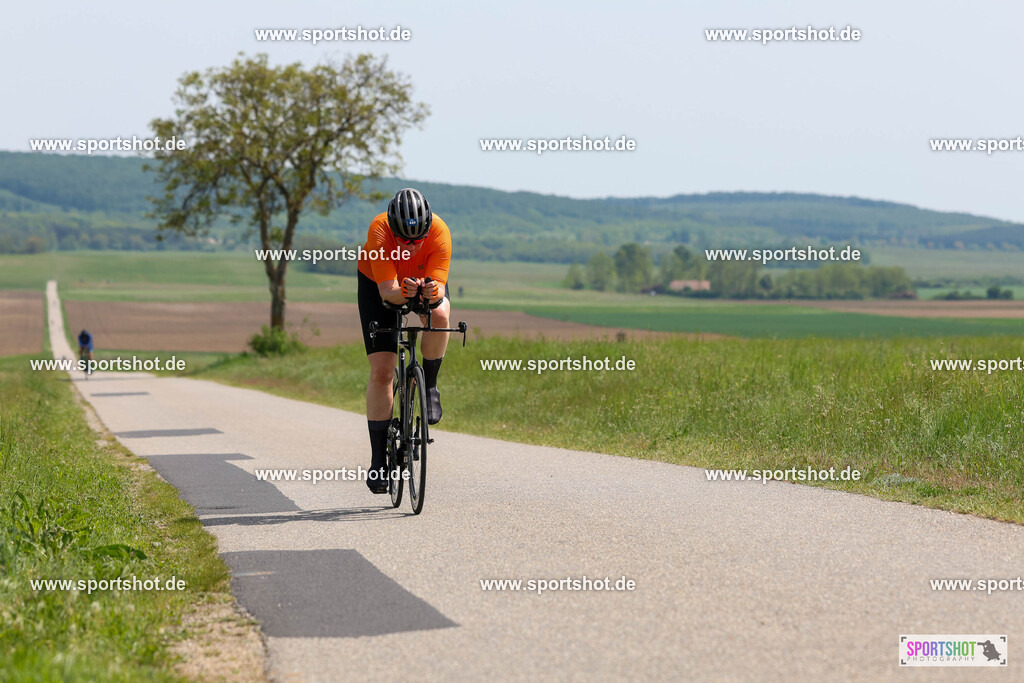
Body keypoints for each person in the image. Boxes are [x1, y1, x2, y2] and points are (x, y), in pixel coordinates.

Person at [357, 188, 452, 494]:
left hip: (422, 280)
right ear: (393, 230)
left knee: (440, 315)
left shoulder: (439, 231)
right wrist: (405, 293)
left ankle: (430, 385)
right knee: (382, 371)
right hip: (379, 284)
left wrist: (430, 293)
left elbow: (439, 288)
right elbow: (388, 292)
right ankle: (378, 461)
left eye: (418, 239)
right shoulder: (379, 230)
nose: (411, 246)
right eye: (404, 240)